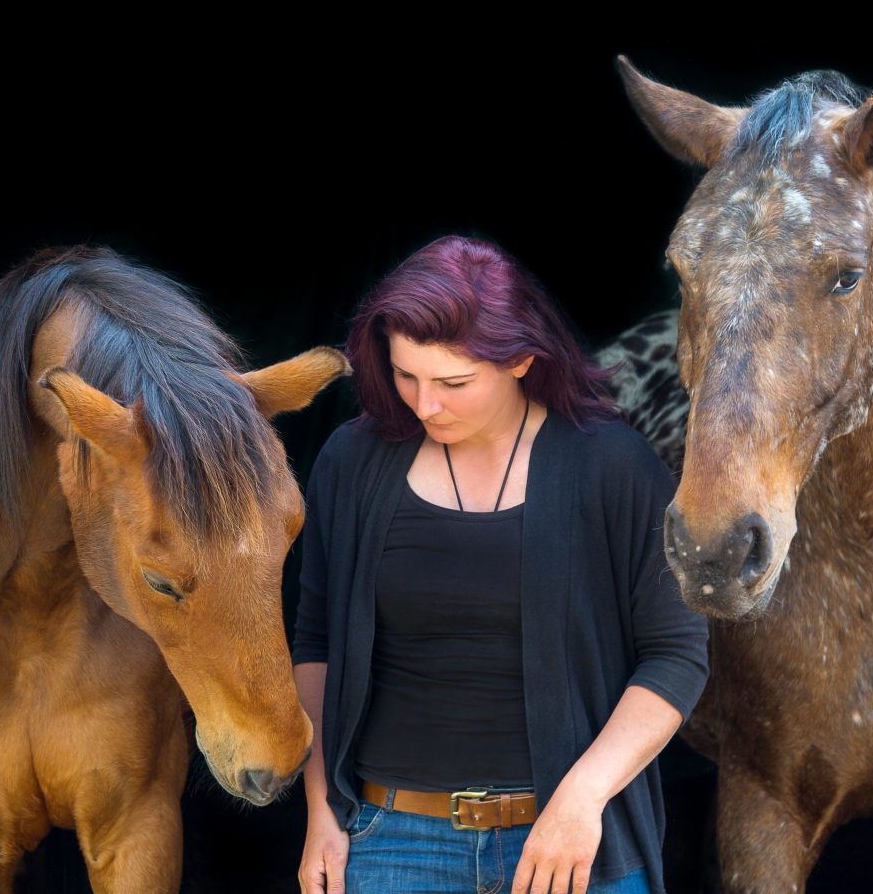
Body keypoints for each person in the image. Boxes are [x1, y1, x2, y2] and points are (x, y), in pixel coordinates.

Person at [293, 235, 709, 894]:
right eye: (407, 375)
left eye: (453, 383)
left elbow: (677, 654)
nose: (424, 405)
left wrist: (582, 798)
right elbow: (315, 646)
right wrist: (319, 812)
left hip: (570, 846)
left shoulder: (612, 466)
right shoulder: (352, 463)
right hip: (391, 843)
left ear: (520, 358)